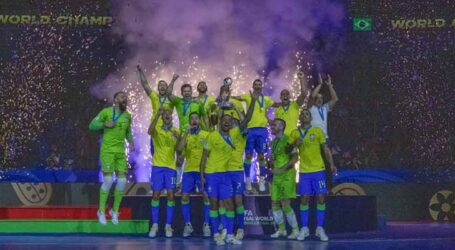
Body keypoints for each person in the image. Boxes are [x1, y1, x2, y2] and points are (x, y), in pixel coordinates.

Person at [200, 91, 257, 245]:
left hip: (232, 172)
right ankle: (220, 231)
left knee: (233, 202)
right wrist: (202, 175)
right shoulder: (213, 135)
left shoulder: (237, 133)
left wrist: (253, 101)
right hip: (216, 173)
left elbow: (247, 120)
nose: (228, 122)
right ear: (220, 121)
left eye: (230, 120)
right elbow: (204, 156)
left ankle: (235, 231)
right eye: (224, 119)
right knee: (216, 203)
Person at [289, 109, 337, 241]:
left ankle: (319, 229)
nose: (304, 116)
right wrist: (294, 144)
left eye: (307, 114)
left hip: (318, 170)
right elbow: (287, 150)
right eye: (303, 114)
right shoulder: (294, 133)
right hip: (304, 172)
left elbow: (325, 149)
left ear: (310, 118)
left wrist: (331, 164)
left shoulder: (317, 131)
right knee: (304, 198)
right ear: (300, 117)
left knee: (321, 198)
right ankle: (304, 228)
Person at [89, 91, 134, 225]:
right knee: (108, 180)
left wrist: (131, 141)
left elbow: (128, 132)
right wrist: (104, 125)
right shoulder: (106, 112)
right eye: (121, 96)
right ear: (115, 100)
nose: (125, 98)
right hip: (108, 151)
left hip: (121, 152)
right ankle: (101, 211)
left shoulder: (128, 116)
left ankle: (114, 211)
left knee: (122, 182)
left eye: (125, 97)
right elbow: (91, 125)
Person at [232, 79, 277, 192]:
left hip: (262, 131)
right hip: (250, 130)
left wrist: (287, 102)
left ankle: (261, 179)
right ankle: (247, 180)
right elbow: (236, 97)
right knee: (248, 156)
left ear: (262, 86)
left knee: (261, 156)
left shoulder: (266, 99)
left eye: (259, 84)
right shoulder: (248, 96)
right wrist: (227, 95)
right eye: (255, 84)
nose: (257, 86)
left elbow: (275, 104)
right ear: (252, 86)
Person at [175, 112, 211, 237]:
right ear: (189, 122)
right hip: (189, 171)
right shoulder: (187, 136)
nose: (194, 120)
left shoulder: (206, 135)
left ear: (200, 120)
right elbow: (179, 149)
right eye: (192, 119)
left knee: (206, 196)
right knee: (184, 197)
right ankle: (188, 225)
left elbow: (209, 153)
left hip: (203, 170)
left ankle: (206, 225)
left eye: (196, 118)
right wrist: (186, 132)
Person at [148, 108, 180, 238]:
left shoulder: (176, 131)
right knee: (156, 194)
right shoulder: (157, 129)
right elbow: (149, 131)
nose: (167, 116)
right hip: (157, 167)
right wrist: (156, 115)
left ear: (172, 117)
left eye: (169, 114)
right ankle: (155, 225)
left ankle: (168, 225)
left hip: (171, 168)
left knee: (171, 195)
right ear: (162, 117)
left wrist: (180, 139)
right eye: (164, 114)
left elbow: (179, 149)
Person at [269, 118, 300, 239]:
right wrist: (271, 162)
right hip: (277, 176)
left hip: (287, 175)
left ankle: (295, 230)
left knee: (285, 203)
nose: (272, 127)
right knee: (275, 203)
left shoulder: (288, 140)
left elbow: (295, 158)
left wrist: (282, 169)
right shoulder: (274, 142)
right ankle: (281, 229)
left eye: (274, 125)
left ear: (281, 127)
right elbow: (275, 160)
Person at [137, 65, 178, 154]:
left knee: (169, 151)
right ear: (158, 88)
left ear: (167, 88)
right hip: (155, 130)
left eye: (164, 85)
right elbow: (145, 84)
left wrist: (173, 80)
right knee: (154, 153)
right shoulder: (154, 96)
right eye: (160, 85)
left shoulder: (171, 99)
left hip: (168, 129)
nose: (162, 87)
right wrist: (141, 71)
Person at [308, 73, 339, 192]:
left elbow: (335, 99)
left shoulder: (325, 108)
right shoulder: (310, 108)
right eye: (318, 98)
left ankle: (329, 189)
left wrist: (330, 86)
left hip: (324, 138)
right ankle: (313, 189)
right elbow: (312, 95)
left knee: (327, 164)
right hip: (313, 140)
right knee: (315, 164)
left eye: (321, 98)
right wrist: (320, 85)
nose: (319, 100)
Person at [274, 71, 306, 136]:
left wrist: (301, 79)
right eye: (283, 94)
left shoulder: (295, 105)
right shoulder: (277, 110)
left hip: (293, 138)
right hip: (281, 139)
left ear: (290, 96)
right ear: (280, 97)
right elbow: (276, 127)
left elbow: (303, 94)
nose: (285, 96)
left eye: (287, 94)